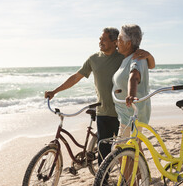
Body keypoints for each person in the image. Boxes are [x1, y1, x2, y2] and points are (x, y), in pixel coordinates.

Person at [45, 27, 155, 166]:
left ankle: (139, 177)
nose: (100, 41)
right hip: (104, 112)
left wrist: (149, 56)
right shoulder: (93, 59)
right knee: (104, 154)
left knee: (132, 150)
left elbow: (145, 66)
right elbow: (75, 78)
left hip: (123, 112)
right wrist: (55, 91)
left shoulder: (124, 55)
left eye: (104, 39)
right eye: (100, 39)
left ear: (115, 42)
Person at [112, 24, 151, 144]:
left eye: (119, 40)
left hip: (134, 114)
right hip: (126, 115)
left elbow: (134, 77)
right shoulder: (127, 59)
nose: (116, 43)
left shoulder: (137, 58)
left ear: (128, 43)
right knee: (129, 150)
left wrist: (131, 95)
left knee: (122, 150)